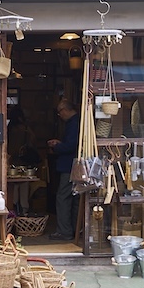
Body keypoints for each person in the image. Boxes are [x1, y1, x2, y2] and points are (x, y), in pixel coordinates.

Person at [47, 99, 80, 241]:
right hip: (74, 165)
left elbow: (72, 146)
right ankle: (74, 228)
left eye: (60, 112)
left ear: (66, 110)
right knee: (74, 198)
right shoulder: (76, 122)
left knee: (63, 197)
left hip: (69, 166)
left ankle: (64, 231)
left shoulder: (73, 124)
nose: (59, 115)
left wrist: (57, 147)